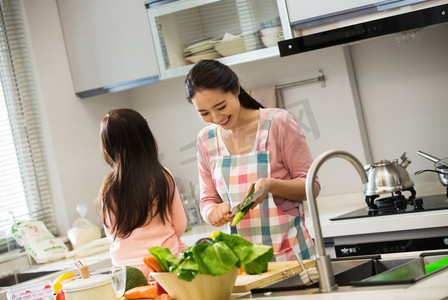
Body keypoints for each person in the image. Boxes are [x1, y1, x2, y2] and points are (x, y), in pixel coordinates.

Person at [185, 60, 320, 261]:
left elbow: (311, 186)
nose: (216, 117)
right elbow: (207, 200)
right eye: (204, 113)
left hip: (295, 258)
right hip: (246, 265)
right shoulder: (206, 140)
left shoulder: (278, 123)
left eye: (221, 106)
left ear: (237, 88)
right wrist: (213, 212)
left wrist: (270, 185)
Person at [97, 108, 187, 278]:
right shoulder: (163, 176)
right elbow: (180, 225)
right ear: (147, 141)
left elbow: (111, 233)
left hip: (126, 270)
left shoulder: (109, 187)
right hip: (164, 262)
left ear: (108, 151)